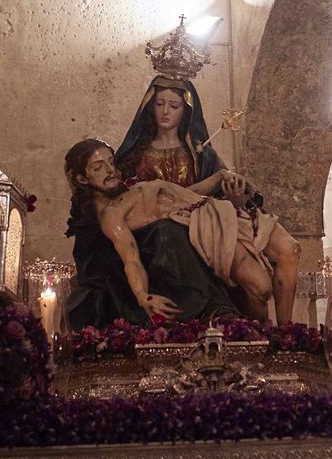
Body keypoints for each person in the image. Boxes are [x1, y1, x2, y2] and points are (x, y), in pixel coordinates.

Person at [116, 77, 300, 323]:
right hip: (177, 229)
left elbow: (226, 196)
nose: (165, 111)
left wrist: (235, 195)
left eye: (174, 105)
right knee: (260, 285)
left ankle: (283, 335)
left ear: (186, 111)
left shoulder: (202, 153)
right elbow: (138, 206)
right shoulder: (135, 156)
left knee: (288, 251)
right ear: (150, 106)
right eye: (160, 103)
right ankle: (261, 334)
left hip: (216, 218)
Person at [63, 138, 236, 327]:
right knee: (166, 231)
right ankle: (210, 309)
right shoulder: (104, 219)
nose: (110, 169)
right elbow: (131, 260)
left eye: (111, 162)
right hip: (124, 283)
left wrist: (221, 177)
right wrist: (142, 296)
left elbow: (183, 195)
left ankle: (214, 308)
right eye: (98, 167)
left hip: (174, 257)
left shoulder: (135, 193)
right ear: (81, 179)